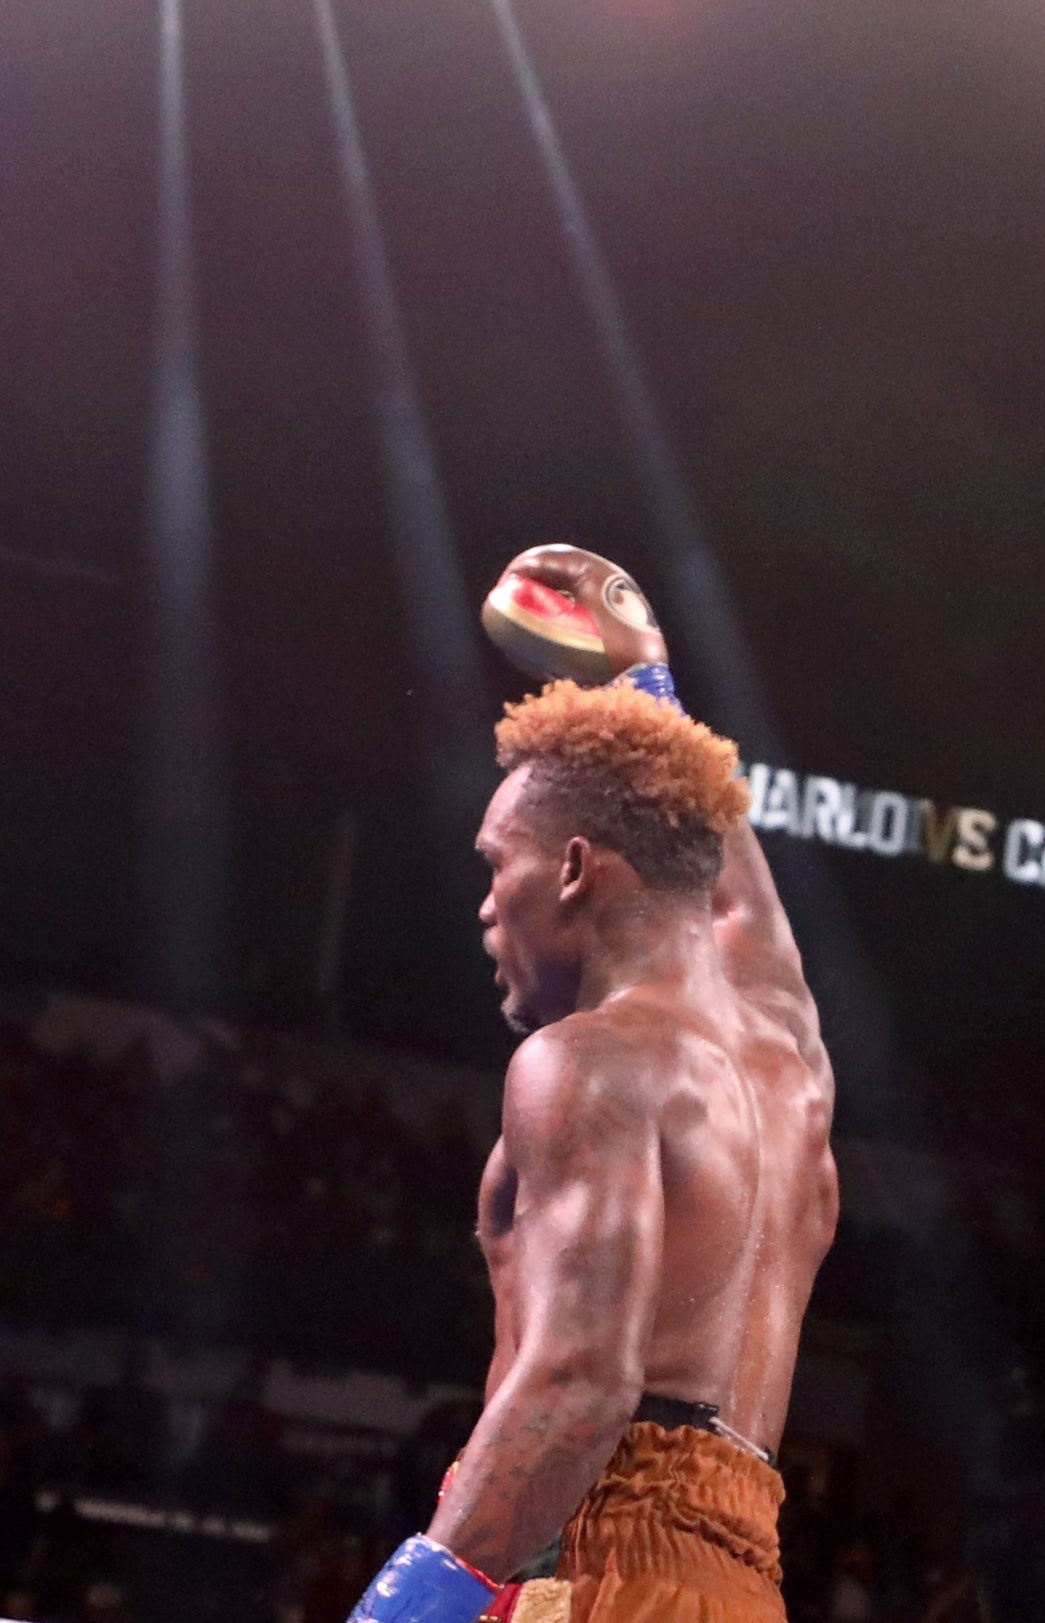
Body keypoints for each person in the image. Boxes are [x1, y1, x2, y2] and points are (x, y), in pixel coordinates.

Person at [348, 550, 838, 1623]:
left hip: (586, 1573)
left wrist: (403, 1609)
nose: (485, 905)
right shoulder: (788, 1059)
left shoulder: (586, 1059)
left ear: (572, 868)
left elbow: (579, 1384)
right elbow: (730, 897)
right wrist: (645, 680)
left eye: (496, 864)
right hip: (739, 1588)